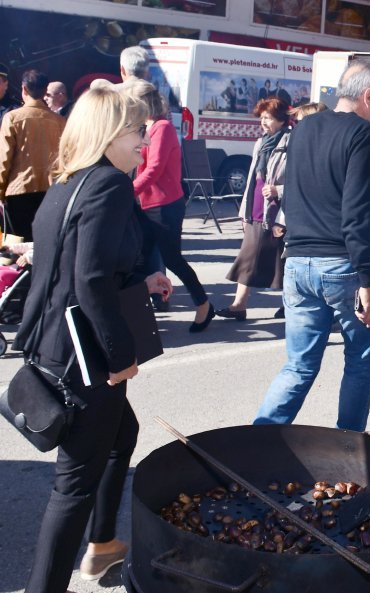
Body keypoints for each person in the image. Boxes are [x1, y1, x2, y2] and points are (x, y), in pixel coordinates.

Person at [13, 84, 173, 593]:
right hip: (85, 358)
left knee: (121, 434)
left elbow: (68, 265)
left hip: (54, 345)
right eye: (136, 131)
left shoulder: (68, 182)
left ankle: (103, 544)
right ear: (109, 133)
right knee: (72, 487)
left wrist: (140, 278)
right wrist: (120, 358)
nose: (144, 142)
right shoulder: (107, 185)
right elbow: (89, 280)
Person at [253, 59, 370, 431]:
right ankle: (348, 450)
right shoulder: (363, 134)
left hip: (297, 260)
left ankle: (256, 445)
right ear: (368, 96)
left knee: (298, 365)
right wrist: (368, 282)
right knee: (359, 362)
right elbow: (359, 214)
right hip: (342, 264)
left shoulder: (305, 127)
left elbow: (295, 191)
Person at [128, 80, 215, 332]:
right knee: (140, 262)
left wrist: (129, 190)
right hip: (147, 204)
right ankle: (139, 315)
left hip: (164, 205)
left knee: (172, 260)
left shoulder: (162, 127)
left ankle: (203, 305)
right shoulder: (147, 127)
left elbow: (154, 168)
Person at [216, 97, 291, 321]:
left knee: (279, 258)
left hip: (277, 210)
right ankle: (240, 304)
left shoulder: (291, 142)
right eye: (262, 118)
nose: (264, 122)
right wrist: (244, 210)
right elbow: (251, 178)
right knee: (255, 253)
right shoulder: (262, 142)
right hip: (257, 206)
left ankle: (243, 304)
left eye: (268, 118)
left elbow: (300, 179)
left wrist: (279, 189)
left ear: (280, 119)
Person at [0, 69, 66, 242]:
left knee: (20, 247)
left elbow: (3, 160)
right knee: (46, 243)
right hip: (51, 192)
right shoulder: (60, 121)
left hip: (18, 192)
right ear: (45, 92)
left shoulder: (12, 118)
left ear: (23, 89)